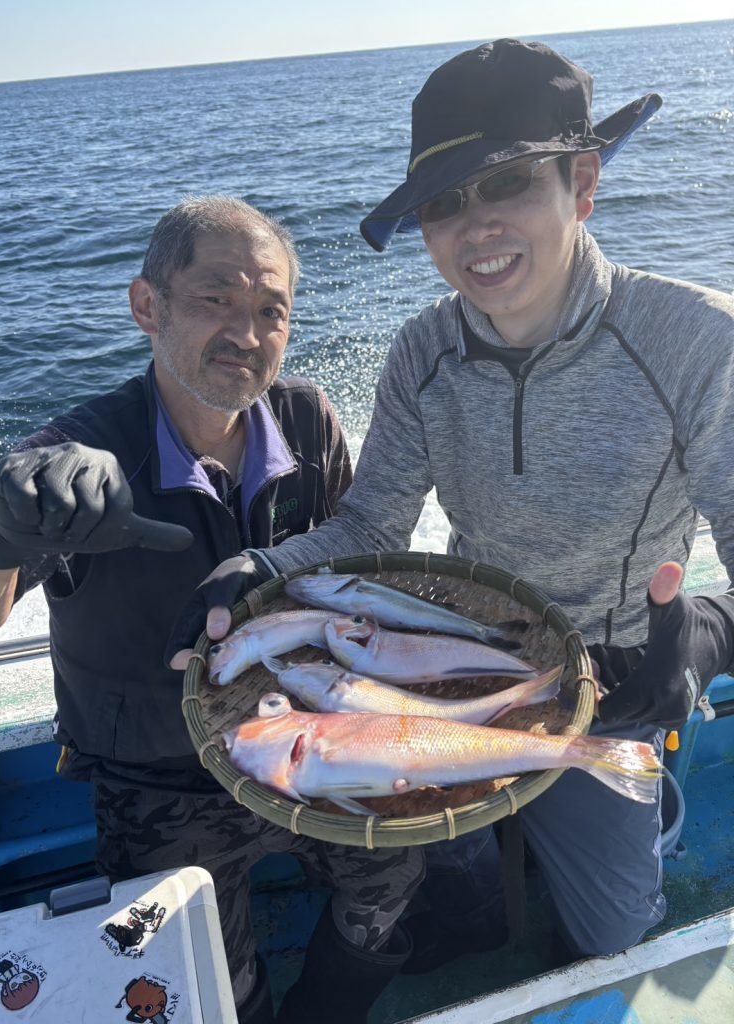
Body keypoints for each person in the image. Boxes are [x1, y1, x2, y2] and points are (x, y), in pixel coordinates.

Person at [168, 40, 734, 975]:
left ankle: (632, 822)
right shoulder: (421, 352)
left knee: (612, 939)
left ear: (582, 183)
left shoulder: (698, 341)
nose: (476, 228)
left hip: (624, 676)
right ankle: (481, 879)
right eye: (443, 203)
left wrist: (707, 635)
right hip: (446, 662)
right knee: (439, 857)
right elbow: (372, 526)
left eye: (507, 183)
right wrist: (260, 569)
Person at [0, 196, 425, 1024]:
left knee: (395, 878)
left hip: (308, 746)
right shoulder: (73, 463)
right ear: (148, 305)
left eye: (271, 310)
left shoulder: (309, 420)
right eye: (216, 298)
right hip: (158, 781)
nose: (246, 333)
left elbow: (352, 571)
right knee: (199, 972)